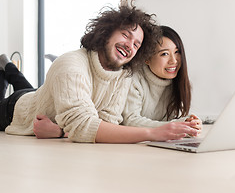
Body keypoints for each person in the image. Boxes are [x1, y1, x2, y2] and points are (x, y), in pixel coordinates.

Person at [0, 0, 199, 143]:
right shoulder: (70, 63)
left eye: (137, 44)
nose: (130, 45)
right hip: (17, 110)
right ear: (106, 32)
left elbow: (107, 121)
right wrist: (153, 133)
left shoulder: (123, 75)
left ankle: (10, 68)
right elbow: (83, 126)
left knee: (37, 93)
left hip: (45, 99)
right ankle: (1, 74)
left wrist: (60, 131)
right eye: (125, 35)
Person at [34, 25, 201, 139]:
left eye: (177, 52)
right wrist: (171, 126)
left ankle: (10, 73)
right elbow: (127, 121)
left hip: (60, 109)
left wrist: (185, 124)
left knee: (31, 90)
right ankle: (10, 72)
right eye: (164, 54)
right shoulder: (129, 77)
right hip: (20, 108)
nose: (174, 60)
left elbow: (104, 122)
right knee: (28, 94)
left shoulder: (175, 83)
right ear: (147, 59)